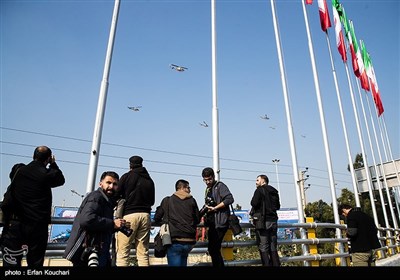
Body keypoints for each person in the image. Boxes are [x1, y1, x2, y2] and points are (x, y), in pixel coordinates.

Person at [1, 146, 65, 267]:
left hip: (14, 225)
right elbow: (60, 180)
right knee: (35, 264)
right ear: (48, 158)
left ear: (33, 156)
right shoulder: (46, 174)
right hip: (37, 227)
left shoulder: (19, 171)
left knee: (11, 262)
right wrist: (53, 164)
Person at [63, 171, 127, 267]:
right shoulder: (96, 197)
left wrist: (116, 226)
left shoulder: (107, 200)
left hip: (99, 248)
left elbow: (99, 225)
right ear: (100, 184)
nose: (111, 186)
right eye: (108, 183)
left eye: (114, 184)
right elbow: (87, 220)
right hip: (87, 249)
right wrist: (112, 223)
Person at [115, 155, 155, 266]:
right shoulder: (149, 180)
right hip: (146, 216)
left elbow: (116, 194)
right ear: (142, 164)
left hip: (129, 216)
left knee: (123, 253)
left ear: (130, 165)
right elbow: (152, 201)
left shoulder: (126, 177)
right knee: (143, 253)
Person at [154, 179, 200, 266]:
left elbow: (157, 218)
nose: (190, 190)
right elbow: (197, 219)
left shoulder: (167, 200)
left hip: (175, 241)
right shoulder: (192, 201)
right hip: (189, 241)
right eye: (188, 187)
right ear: (183, 188)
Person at [201, 167, 234, 267]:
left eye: (209, 179)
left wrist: (215, 207)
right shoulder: (208, 189)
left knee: (213, 249)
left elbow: (230, 199)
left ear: (214, 177)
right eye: (205, 180)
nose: (207, 182)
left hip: (220, 223)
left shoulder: (220, 186)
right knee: (213, 250)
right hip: (212, 224)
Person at [250, 174, 281, 266]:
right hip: (273, 221)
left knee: (263, 247)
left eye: (257, 180)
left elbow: (253, 203)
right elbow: (277, 206)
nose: (256, 182)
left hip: (263, 222)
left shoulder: (259, 190)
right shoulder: (274, 191)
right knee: (273, 247)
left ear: (263, 181)